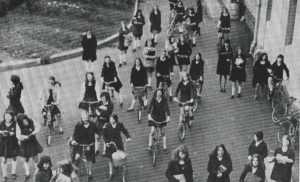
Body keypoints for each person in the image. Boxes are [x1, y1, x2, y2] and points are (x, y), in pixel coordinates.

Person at [103, 114, 131, 180]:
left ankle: (123, 171)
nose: (110, 120)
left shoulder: (120, 124)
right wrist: (107, 143)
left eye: (112, 119)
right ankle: (111, 173)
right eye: (110, 119)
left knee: (121, 157)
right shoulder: (107, 126)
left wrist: (128, 137)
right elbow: (104, 135)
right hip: (110, 144)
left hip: (118, 143)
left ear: (115, 119)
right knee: (110, 159)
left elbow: (125, 131)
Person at [71, 111, 98, 179]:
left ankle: (89, 171)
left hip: (90, 145)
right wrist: (73, 140)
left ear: (88, 117)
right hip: (80, 144)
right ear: (81, 118)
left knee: (89, 159)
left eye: (86, 118)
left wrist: (98, 135)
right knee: (78, 158)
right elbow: (75, 134)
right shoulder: (78, 125)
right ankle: (78, 172)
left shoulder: (92, 124)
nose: (85, 120)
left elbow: (97, 131)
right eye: (83, 118)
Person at [16, 114, 43, 180]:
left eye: (25, 119)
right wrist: (25, 137)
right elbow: (18, 135)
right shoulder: (18, 126)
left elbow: (38, 126)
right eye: (23, 121)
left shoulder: (31, 121)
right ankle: (27, 173)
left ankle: (38, 170)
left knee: (35, 157)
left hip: (33, 142)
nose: (25, 121)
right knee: (26, 159)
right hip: (24, 144)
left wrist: (34, 132)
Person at [146, 89, 170, 154]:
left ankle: (165, 147)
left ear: (161, 94)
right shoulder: (153, 100)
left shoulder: (164, 101)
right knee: (152, 131)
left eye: (160, 93)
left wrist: (168, 116)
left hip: (161, 118)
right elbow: (150, 107)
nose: (159, 94)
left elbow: (167, 109)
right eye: (157, 93)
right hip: (154, 117)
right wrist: (149, 114)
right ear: (156, 94)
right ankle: (150, 145)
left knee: (163, 133)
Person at [0, 112, 19, 182]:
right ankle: (4, 175)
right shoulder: (1, 124)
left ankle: (13, 173)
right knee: (4, 160)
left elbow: (19, 132)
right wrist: (1, 132)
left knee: (14, 158)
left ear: (12, 117)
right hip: (4, 145)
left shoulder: (15, 124)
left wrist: (13, 133)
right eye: (6, 116)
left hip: (13, 144)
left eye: (9, 116)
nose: (7, 118)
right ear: (4, 116)